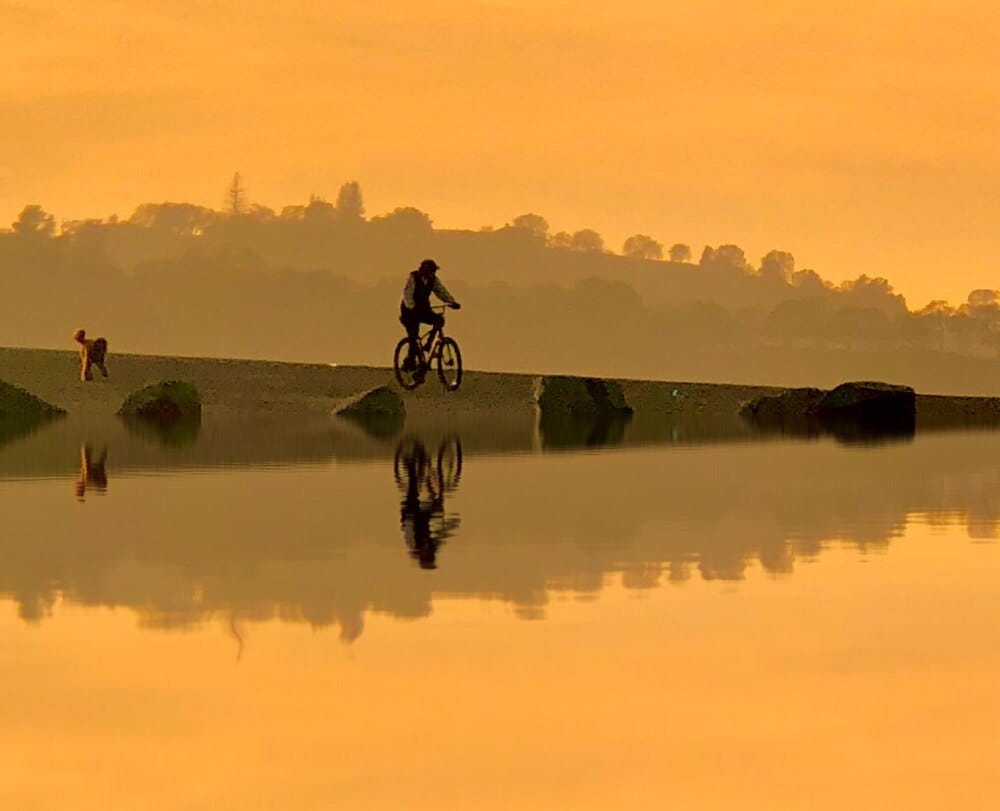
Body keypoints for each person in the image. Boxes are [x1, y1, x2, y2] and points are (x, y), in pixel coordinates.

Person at [399, 259, 460, 377]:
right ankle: (411, 361)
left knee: (439, 320)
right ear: (424, 270)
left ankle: (428, 344)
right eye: (431, 271)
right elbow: (407, 294)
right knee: (413, 336)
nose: (433, 273)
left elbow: (441, 292)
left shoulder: (433, 280)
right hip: (409, 312)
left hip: (423, 310)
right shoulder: (413, 277)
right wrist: (412, 307)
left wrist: (452, 302)